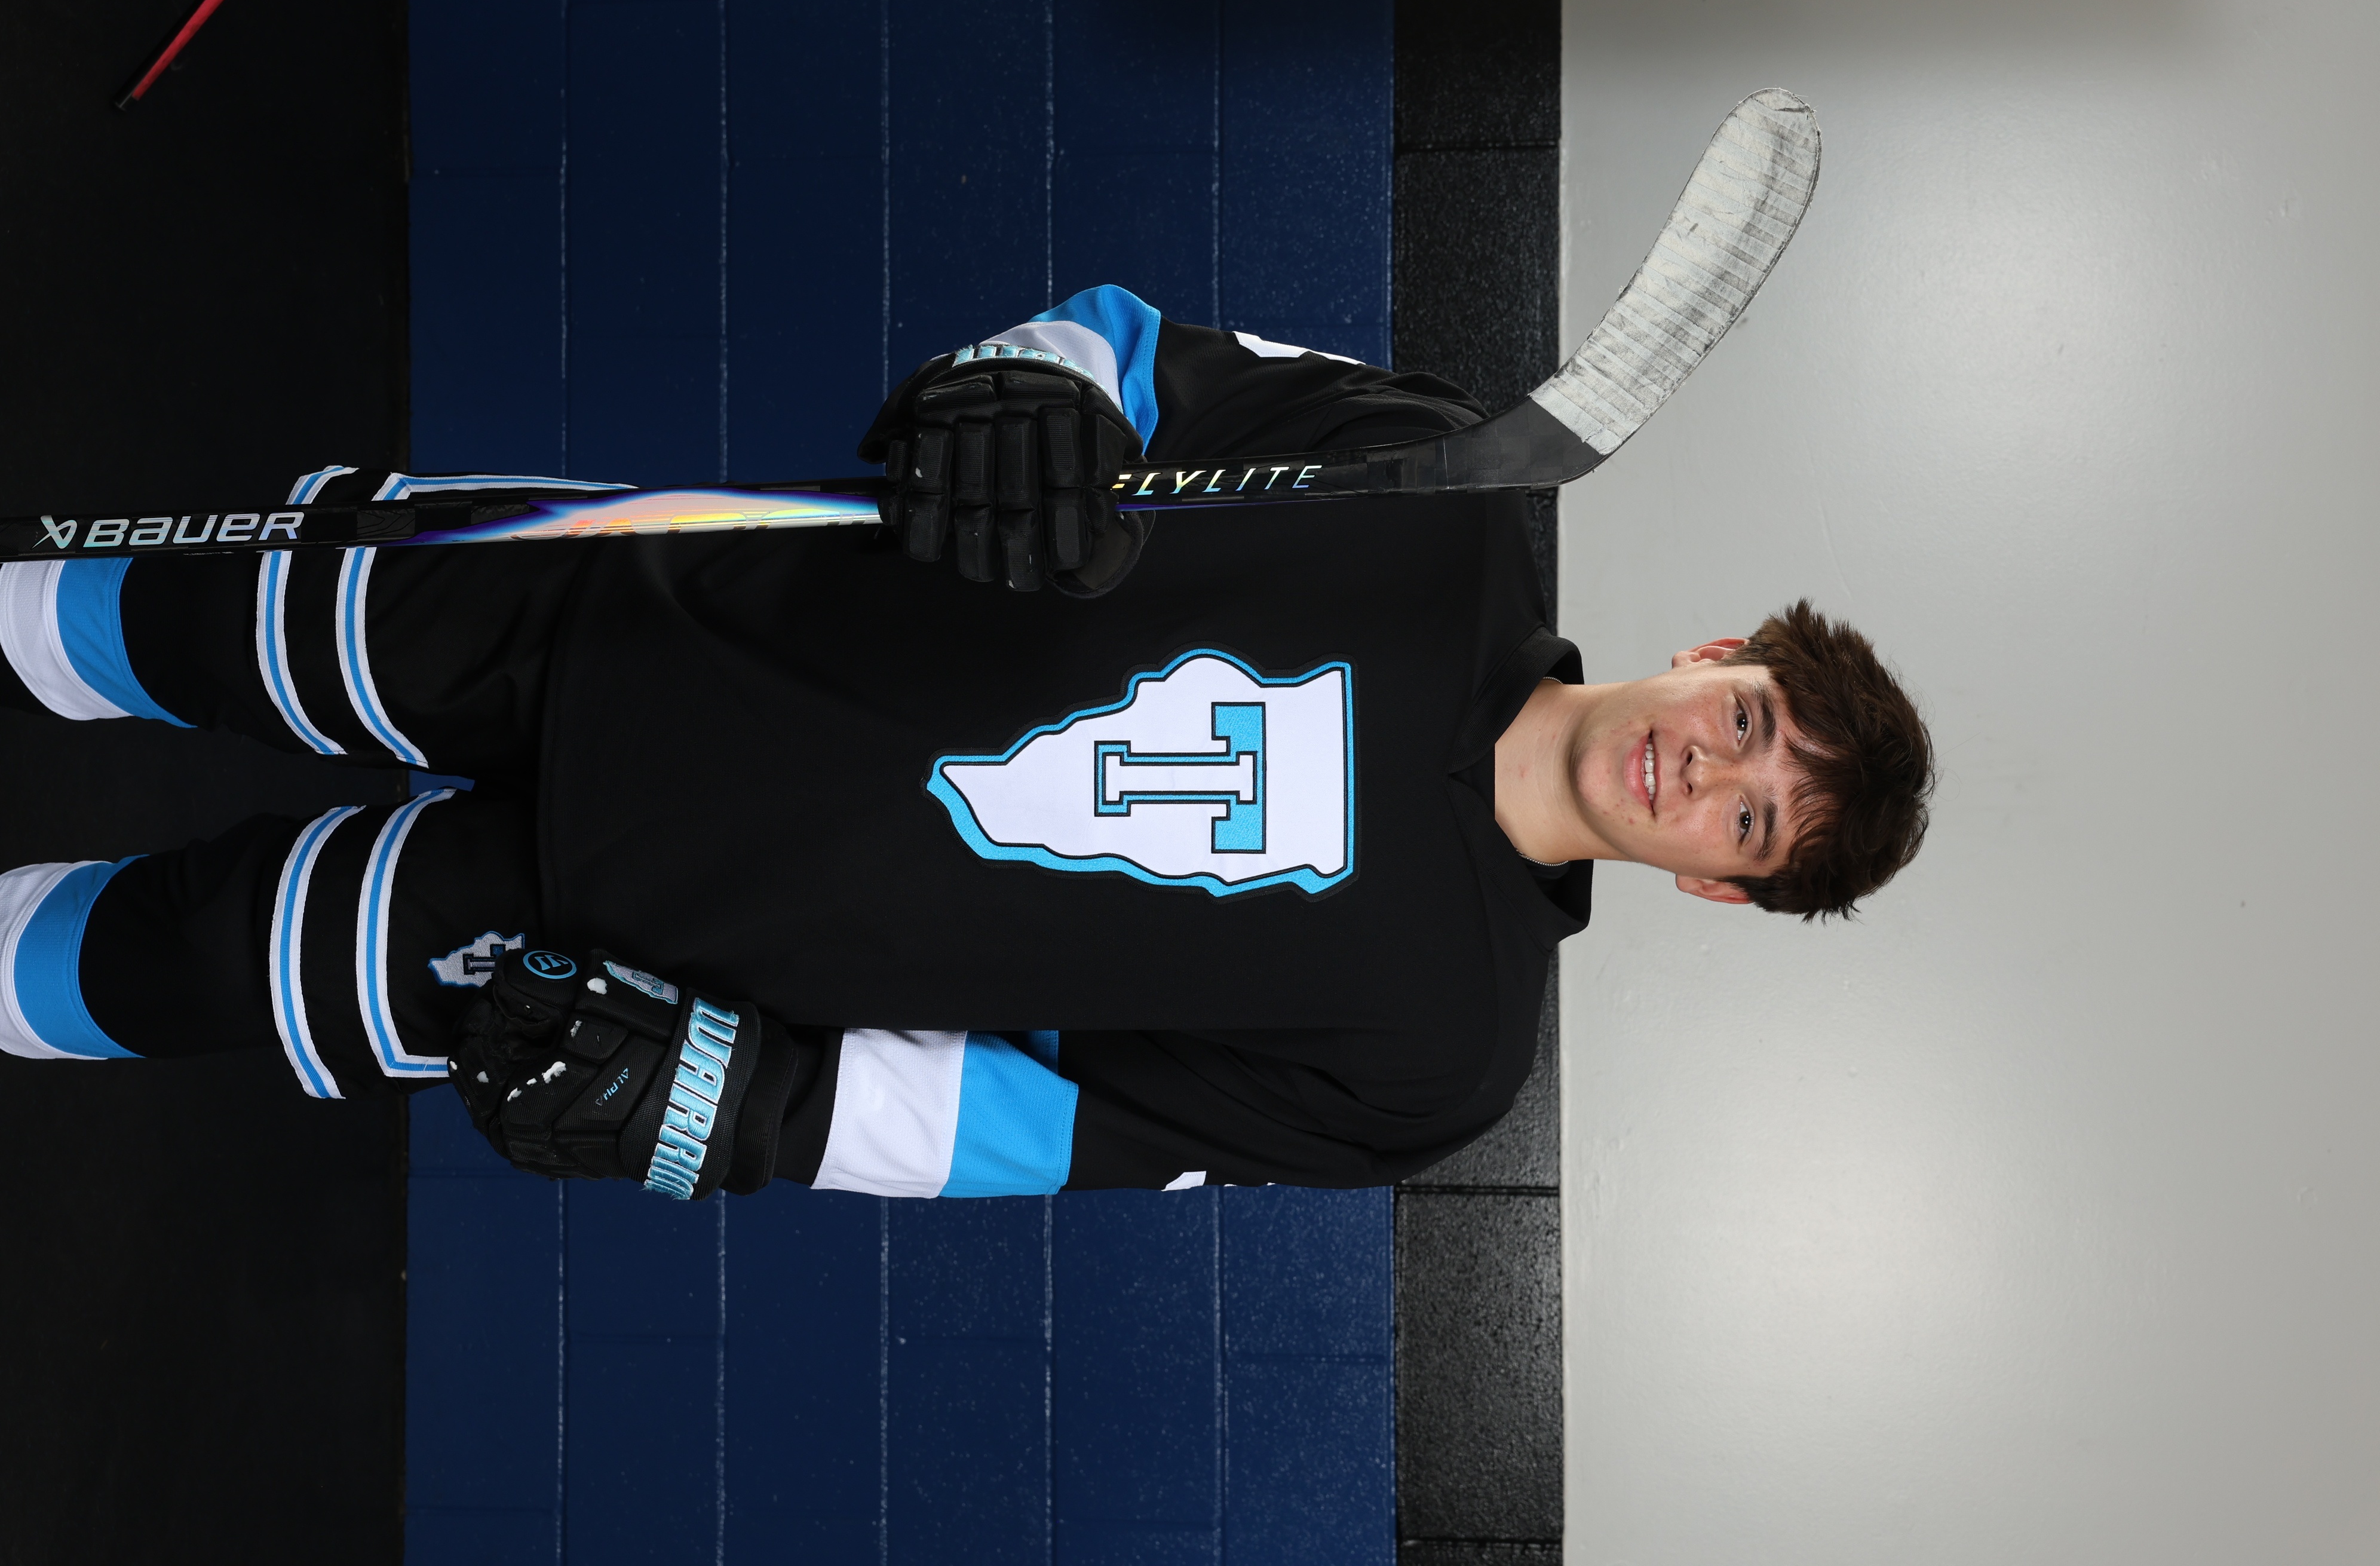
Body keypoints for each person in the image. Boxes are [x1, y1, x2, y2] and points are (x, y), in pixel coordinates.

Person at [0, 286, 1933, 1199]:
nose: (1712, 772)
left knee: (149, 966)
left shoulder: (1444, 1063)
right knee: (139, 621)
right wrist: (1024, 395)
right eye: (1748, 722)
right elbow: (1130, 351)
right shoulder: (1448, 491)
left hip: (628, 937)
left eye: (1755, 823)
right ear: (1717, 653)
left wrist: (749, 1113)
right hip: (625, 600)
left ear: (1715, 887)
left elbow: (1055, 1127)